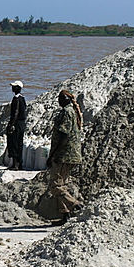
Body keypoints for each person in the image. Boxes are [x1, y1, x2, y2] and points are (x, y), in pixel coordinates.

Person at [45, 89, 83, 226]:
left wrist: (53, 155)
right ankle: (65, 215)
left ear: (66, 100)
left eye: (61, 98)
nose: (58, 100)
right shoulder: (72, 111)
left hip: (64, 155)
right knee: (62, 185)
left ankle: (75, 205)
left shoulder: (67, 112)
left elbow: (63, 136)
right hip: (70, 154)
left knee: (55, 186)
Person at [6, 81, 28, 170]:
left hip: (16, 123)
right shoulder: (22, 98)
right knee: (19, 143)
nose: (12, 88)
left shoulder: (16, 99)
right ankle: (19, 163)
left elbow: (16, 112)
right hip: (21, 123)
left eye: (14, 87)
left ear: (18, 88)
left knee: (14, 142)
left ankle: (15, 164)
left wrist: (11, 124)